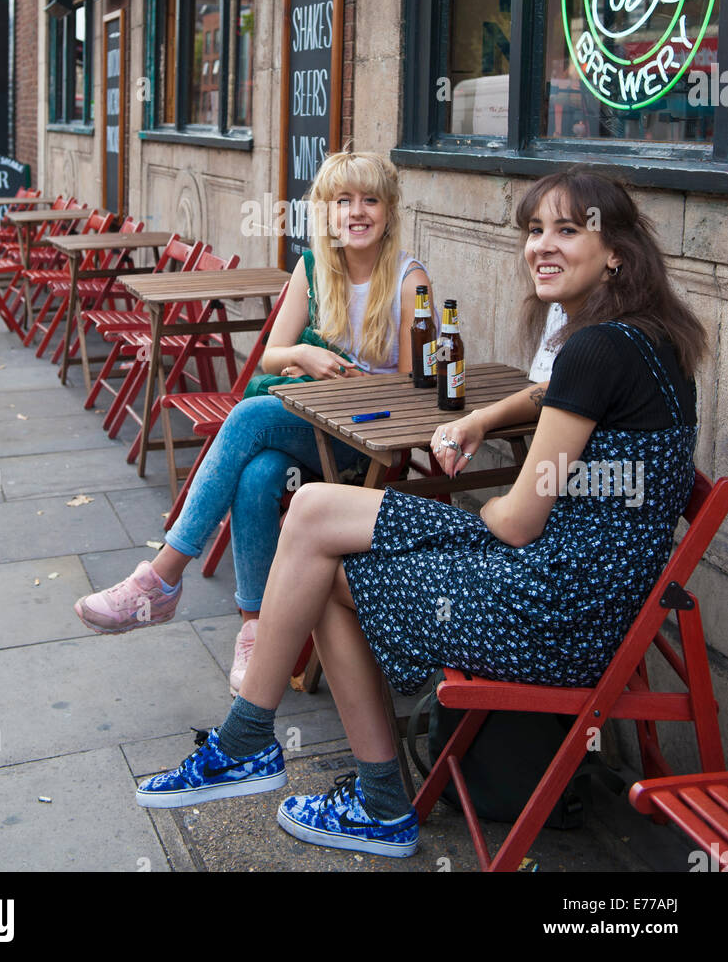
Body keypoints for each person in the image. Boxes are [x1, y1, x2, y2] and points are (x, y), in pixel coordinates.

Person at [131, 168, 704, 859]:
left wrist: (480, 505)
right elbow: (545, 394)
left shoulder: (594, 347)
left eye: (566, 229)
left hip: (553, 605)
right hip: (588, 591)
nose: (540, 247)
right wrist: (478, 421)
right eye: (532, 230)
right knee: (311, 512)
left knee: (317, 547)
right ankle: (262, 748)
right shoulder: (648, 338)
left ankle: (317, 775)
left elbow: (517, 521)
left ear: (613, 250)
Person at [74, 151, 438, 694]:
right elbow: (272, 355)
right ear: (326, 212)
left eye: (370, 201)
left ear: (389, 211)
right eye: (343, 201)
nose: (356, 212)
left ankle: (162, 576)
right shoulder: (314, 268)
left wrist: (349, 381)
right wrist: (309, 359)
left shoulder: (411, 281)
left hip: (365, 442)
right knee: (258, 476)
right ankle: (255, 631)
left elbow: (417, 390)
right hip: (308, 431)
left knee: (246, 417)